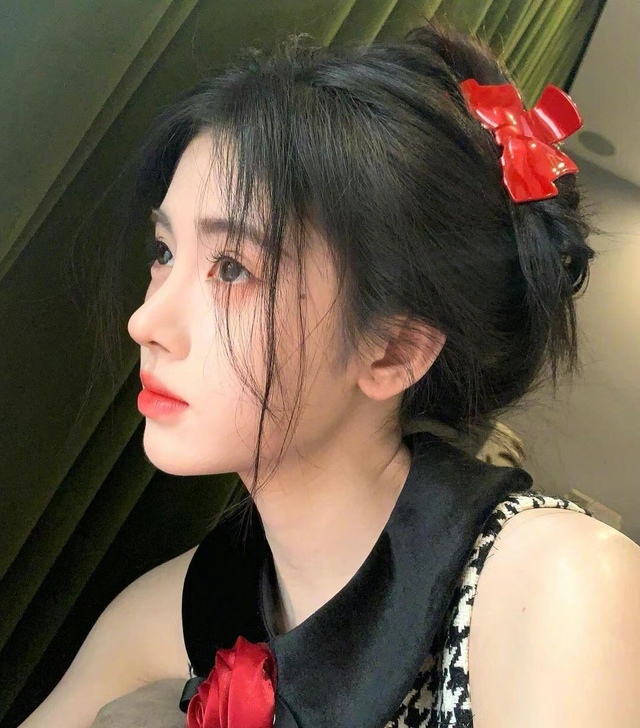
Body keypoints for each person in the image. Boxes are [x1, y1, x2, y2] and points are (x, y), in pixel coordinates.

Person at [19, 20, 640, 728]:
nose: (145, 321)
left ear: (393, 351)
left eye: (232, 268)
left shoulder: (559, 591)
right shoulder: (171, 613)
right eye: (165, 252)